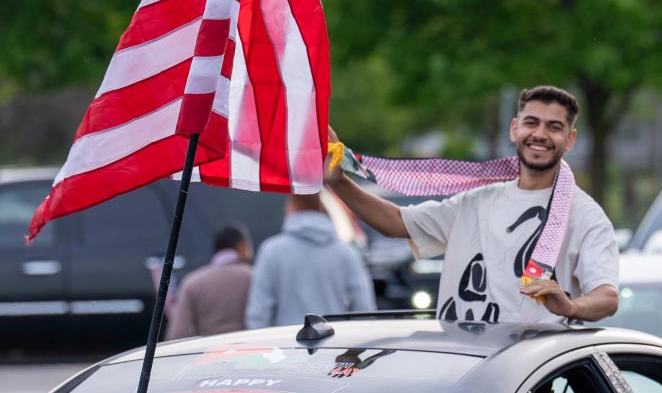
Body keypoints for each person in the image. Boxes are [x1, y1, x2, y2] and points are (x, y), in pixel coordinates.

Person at [327, 85, 618, 325]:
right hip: (463, 363)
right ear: (514, 129)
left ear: (570, 139)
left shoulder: (585, 215)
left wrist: (570, 307)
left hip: (534, 371)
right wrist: (339, 182)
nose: (540, 134)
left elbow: (607, 297)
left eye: (554, 127)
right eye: (531, 123)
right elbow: (397, 222)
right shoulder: (477, 200)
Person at [245, 194, 376, 327]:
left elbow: (258, 313)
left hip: (287, 338)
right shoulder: (346, 253)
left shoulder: (271, 251)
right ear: (321, 207)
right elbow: (364, 308)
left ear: (290, 207)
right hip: (335, 337)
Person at [166, 223, 254, 340]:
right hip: (249, 347)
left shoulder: (192, 282)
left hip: (208, 349)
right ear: (241, 245)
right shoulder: (254, 277)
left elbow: (177, 333)